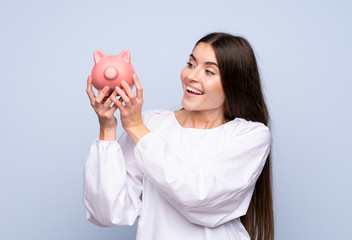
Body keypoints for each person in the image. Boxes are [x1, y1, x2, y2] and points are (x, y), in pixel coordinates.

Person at [83, 32, 274, 240]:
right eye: (191, 64)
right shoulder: (151, 124)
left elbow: (199, 197)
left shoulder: (250, 135)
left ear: (234, 83)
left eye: (209, 71)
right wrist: (107, 129)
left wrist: (137, 128)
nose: (191, 76)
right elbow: (108, 213)